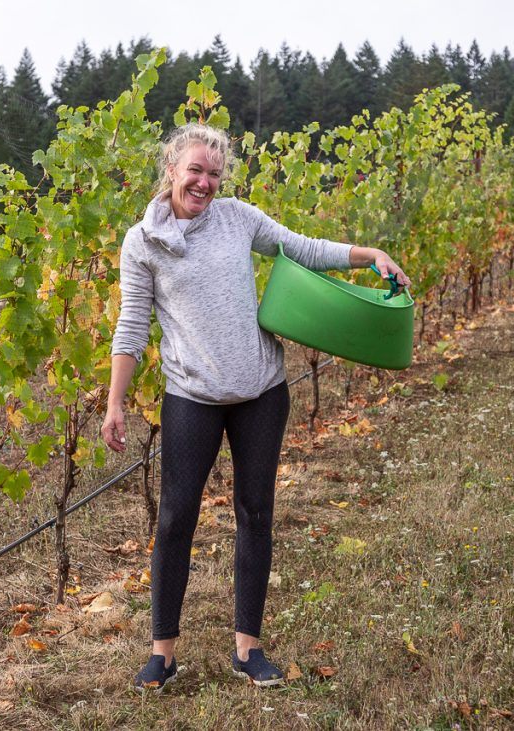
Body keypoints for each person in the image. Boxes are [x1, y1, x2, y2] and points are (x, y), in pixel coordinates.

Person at [102, 123, 411, 693]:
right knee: (175, 519)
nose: (204, 182)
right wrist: (115, 402)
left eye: (214, 174)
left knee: (255, 514)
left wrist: (370, 256)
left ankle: (249, 649)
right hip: (192, 395)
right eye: (195, 169)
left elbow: (302, 248)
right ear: (170, 169)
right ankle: (163, 654)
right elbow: (131, 324)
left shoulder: (239, 218)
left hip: (262, 392)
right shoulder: (141, 242)